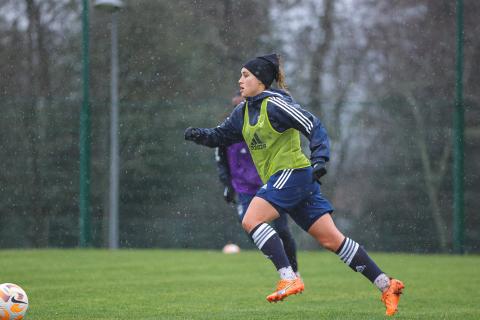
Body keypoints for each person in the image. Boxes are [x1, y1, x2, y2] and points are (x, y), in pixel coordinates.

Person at [185, 53, 404, 316]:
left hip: (293, 173)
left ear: (262, 81)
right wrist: (201, 135)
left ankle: (288, 276)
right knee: (332, 240)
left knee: (251, 219)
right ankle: (386, 284)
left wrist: (320, 158)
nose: (239, 80)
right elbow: (221, 135)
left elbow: (313, 124)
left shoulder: (275, 104)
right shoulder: (242, 111)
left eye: (245, 75)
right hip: (293, 181)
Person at [215, 92, 299, 275]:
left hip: (269, 186)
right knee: (251, 227)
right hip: (243, 188)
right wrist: (227, 186)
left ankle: (294, 271)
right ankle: (283, 267)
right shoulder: (227, 131)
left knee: (283, 230)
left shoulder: (261, 127)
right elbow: (221, 161)